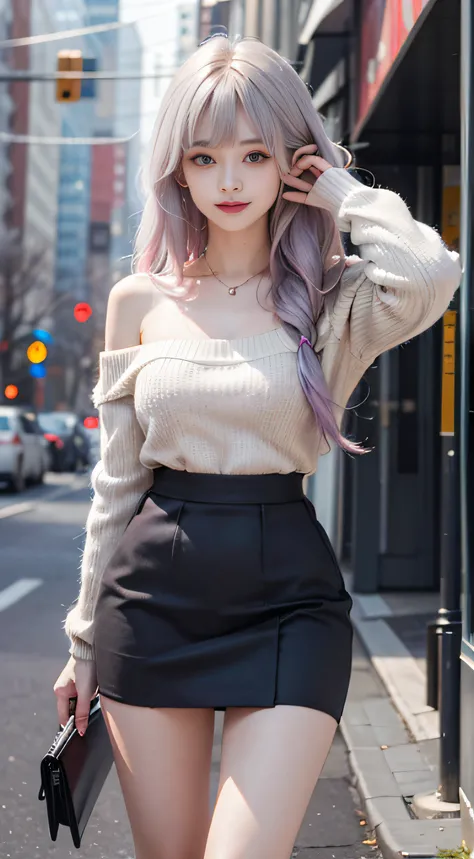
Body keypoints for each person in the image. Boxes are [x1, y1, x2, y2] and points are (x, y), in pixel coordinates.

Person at [53, 34, 461, 859]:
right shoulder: (141, 300)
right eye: (205, 157)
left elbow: (429, 274)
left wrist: (340, 189)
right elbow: (116, 487)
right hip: (152, 604)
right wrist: (83, 641)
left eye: (255, 154)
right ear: (179, 170)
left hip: (289, 605)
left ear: (292, 160)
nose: (230, 180)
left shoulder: (331, 298)